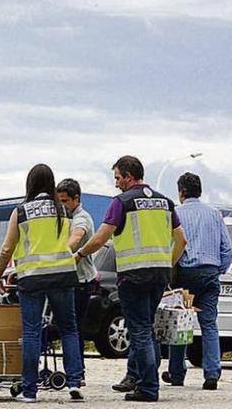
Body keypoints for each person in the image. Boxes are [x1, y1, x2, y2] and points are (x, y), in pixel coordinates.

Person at [76, 155, 187, 402]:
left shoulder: (121, 202)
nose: (115, 183)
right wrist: (167, 264)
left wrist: (80, 254)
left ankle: (148, 388)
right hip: (159, 275)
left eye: (117, 177)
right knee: (147, 329)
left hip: (133, 276)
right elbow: (181, 240)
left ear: (128, 176)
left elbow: (101, 237)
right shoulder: (166, 202)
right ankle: (141, 380)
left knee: (139, 331)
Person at [0, 164, 84, 403]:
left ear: (30, 184)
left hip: (32, 278)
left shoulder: (21, 212)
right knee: (69, 329)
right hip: (62, 275)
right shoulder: (63, 210)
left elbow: (7, 247)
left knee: (31, 332)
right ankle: (74, 382)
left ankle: (29, 391)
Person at [163, 173, 232, 390]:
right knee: (209, 325)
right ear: (200, 191)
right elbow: (228, 251)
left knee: (181, 322)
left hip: (186, 274)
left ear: (181, 192)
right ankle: (212, 373)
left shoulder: (176, 213)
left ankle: (176, 373)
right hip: (211, 273)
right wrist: (217, 270)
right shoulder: (215, 214)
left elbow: (172, 246)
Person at [57, 178, 98, 384]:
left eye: (65, 201)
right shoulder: (64, 217)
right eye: (59, 201)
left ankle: (77, 372)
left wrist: (60, 253)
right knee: (69, 326)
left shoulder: (82, 217)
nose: (62, 205)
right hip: (68, 279)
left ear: (76, 198)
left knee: (74, 327)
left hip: (81, 281)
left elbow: (77, 236)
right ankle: (75, 370)